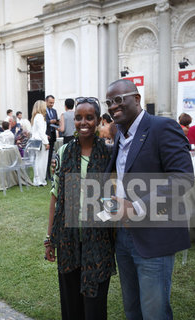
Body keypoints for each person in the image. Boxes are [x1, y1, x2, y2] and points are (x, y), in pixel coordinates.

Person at [105, 79, 193, 320]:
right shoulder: (120, 135)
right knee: (132, 309)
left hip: (154, 235)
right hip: (123, 236)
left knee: (154, 311)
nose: (113, 106)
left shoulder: (161, 127)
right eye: (109, 102)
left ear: (137, 99)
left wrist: (136, 206)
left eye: (119, 99)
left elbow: (183, 178)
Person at [45, 97, 115, 320]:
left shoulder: (108, 154)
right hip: (68, 239)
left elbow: (114, 197)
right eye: (78, 117)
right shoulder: (65, 152)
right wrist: (49, 238)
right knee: (71, 303)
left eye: (89, 117)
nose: (83, 122)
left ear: (98, 120)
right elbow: (55, 196)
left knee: (95, 305)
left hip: (99, 239)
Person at [30, 100, 50, 186]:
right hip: (41, 141)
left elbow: (36, 131)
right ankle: (41, 180)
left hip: (36, 140)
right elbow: (41, 132)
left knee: (37, 160)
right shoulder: (40, 117)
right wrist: (46, 142)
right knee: (42, 161)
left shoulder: (35, 117)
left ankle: (37, 180)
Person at [45, 95, 58, 180]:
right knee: (46, 156)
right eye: (50, 103)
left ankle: (49, 173)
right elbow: (42, 122)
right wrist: (50, 121)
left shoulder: (54, 111)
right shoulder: (42, 111)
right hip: (46, 135)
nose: (51, 104)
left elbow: (56, 120)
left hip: (53, 135)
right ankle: (46, 174)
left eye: (53, 103)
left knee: (50, 156)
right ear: (46, 101)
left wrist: (57, 122)